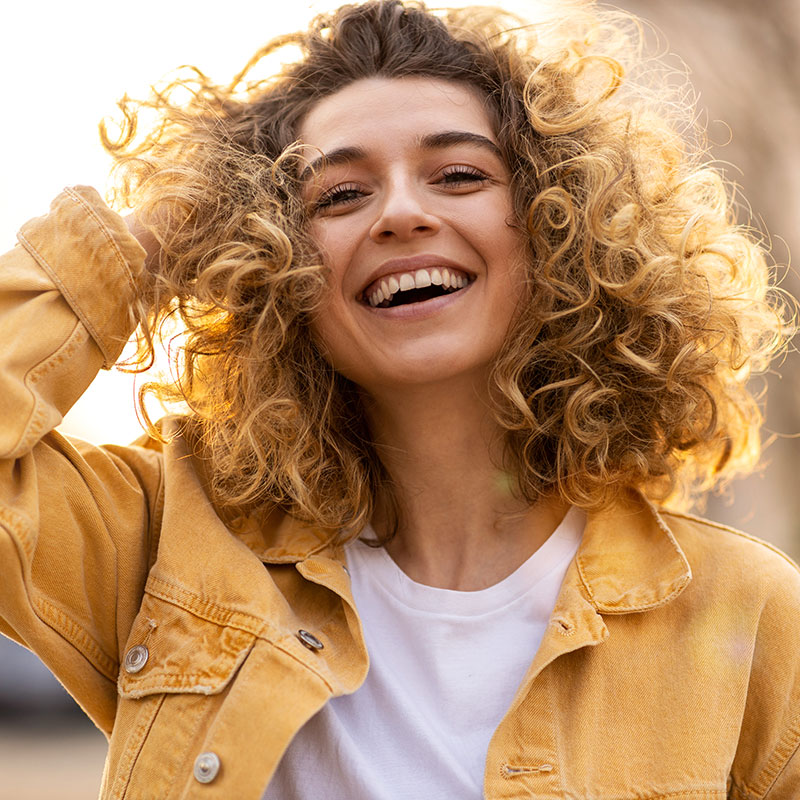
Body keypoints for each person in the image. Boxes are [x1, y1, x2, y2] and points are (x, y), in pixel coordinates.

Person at [1, 1, 798, 797]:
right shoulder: (169, 543)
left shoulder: (751, 613)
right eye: (339, 196)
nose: (402, 214)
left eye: (458, 176)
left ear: (562, 229)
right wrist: (156, 234)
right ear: (274, 260)